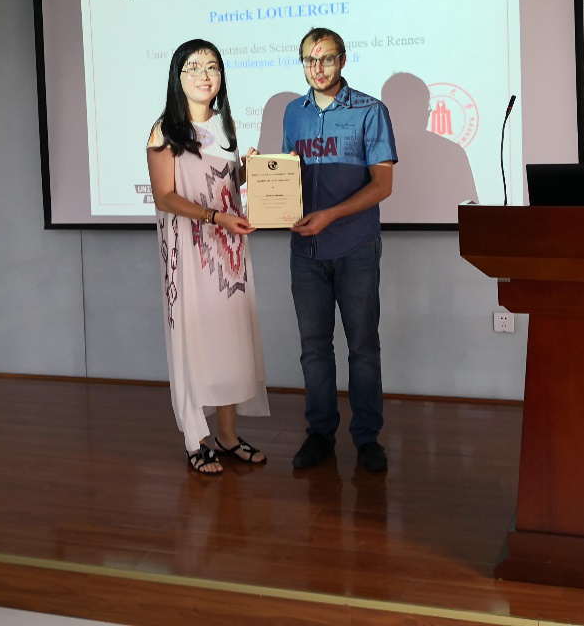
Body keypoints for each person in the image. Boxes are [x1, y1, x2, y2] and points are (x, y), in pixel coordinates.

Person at [147, 40, 270, 475]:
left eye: (212, 67)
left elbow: (224, 180)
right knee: (194, 341)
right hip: (190, 251)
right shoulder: (164, 130)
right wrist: (215, 217)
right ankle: (196, 440)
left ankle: (228, 436)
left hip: (228, 252)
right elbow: (165, 197)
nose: (204, 75)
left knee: (230, 340)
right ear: (177, 76)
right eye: (194, 67)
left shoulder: (226, 124)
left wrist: (251, 170)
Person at [280, 28, 397, 472]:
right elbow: (286, 178)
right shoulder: (293, 113)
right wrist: (262, 179)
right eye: (309, 60)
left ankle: (367, 439)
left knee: (363, 347)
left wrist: (330, 215)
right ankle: (320, 434)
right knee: (314, 348)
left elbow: (382, 186)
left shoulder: (370, 111)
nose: (318, 68)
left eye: (327, 58)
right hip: (305, 252)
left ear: (343, 61)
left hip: (355, 248)